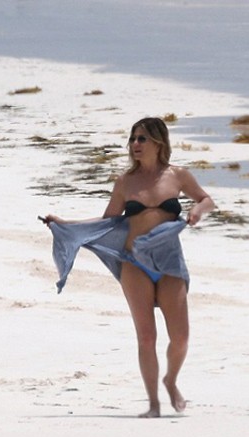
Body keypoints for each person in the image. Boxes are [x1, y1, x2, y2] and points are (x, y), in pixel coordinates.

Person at [42, 117, 214, 418]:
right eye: (133, 138)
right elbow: (107, 222)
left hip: (170, 263)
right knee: (146, 337)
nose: (135, 144)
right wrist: (65, 224)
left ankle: (171, 381)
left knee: (181, 338)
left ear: (159, 142)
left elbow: (206, 199)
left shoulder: (178, 176)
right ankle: (153, 404)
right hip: (134, 262)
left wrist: (197, 211)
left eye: (142, 139)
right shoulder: (125, 182)